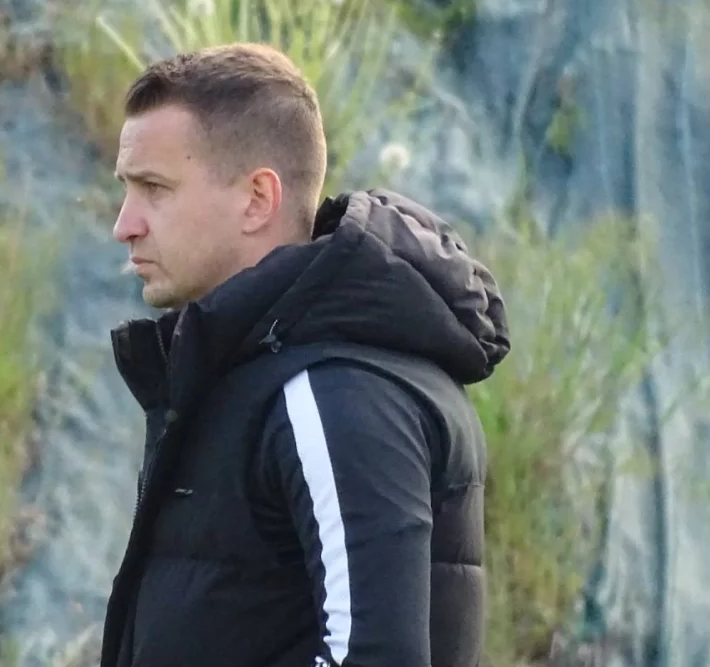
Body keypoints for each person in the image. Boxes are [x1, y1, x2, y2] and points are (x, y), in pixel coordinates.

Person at [99, 42, 511, 667]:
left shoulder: (332, 392)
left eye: (154, 188)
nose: (124, 224)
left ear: (257, 199)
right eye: (127, 189)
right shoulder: (257, 373)